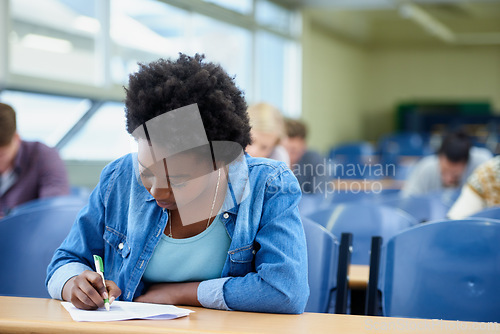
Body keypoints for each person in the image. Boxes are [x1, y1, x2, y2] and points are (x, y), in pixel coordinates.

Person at [46, 54, 309, 314]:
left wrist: (182, 294)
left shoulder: (268, 184)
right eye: (147, 171)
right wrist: (73, 284)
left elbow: (286, 291)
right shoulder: (118, 177)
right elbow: (65, 261)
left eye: (178, 180)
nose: (156, 190)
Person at [0, 102, 70, 217]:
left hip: (30, 232)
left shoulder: (43, 155)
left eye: (2, 155)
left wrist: (10, 221)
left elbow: (53, 211)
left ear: (17, 138)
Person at [401, 130, 492, 197]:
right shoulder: (426, 167)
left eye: (455, 175)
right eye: (444, 172)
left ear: (467, 163)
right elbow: (408, 201)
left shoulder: (482, 164)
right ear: (439, 157)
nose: (448, 179)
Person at [282, 118, 331, 194]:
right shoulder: (272, 161)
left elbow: (321, 192)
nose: (290, 156)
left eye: (294, 151)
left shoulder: (313, 160)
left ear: (304, 145)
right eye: (287, 150)